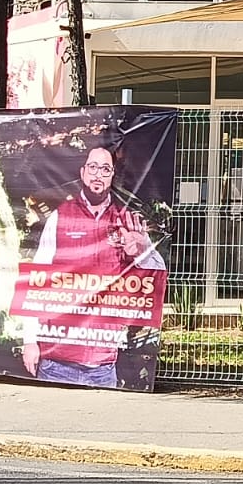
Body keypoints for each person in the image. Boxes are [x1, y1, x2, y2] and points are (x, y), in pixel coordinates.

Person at [21, 144, 165, 387]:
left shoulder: (127, 221)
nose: (98, 174)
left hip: (103, 366)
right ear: (82, 172)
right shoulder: (60, 217)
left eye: (105, 169)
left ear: (112, 177)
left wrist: (142, 252)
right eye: (93, 167)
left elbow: (158, 275)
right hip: (56, 361)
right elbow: (38, 280)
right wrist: (29, 340)